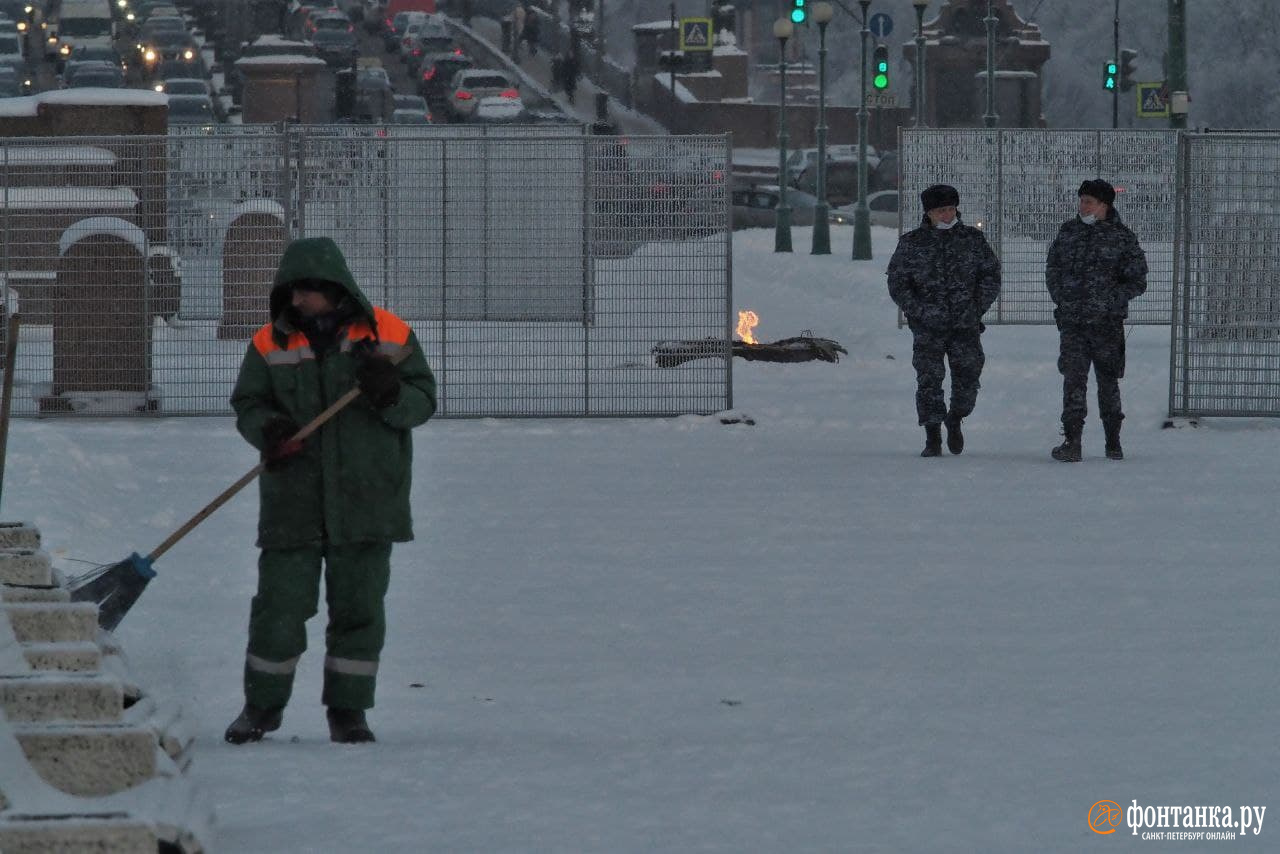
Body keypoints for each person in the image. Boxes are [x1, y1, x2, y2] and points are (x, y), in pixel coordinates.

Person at [224, 237, 437, 745]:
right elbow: (249, 403)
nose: (295, 302)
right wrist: (269, 431)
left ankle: (349, 712)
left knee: (359, 610)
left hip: (366, 502)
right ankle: (261, 708)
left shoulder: (390, 334)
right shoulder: (267, 344)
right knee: (278, 608)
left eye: (304, 292)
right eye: (291, 292)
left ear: (332, 289)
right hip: (292, 504)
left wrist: (389, 390)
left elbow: (422, 402)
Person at [887, 184, 1002, 457]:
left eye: (951, 209)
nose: (947, 215)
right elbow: (898, 283)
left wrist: (976, 309)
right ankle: (932, 435)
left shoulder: (972, 240)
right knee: (929, 380)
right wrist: (919, 312)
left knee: (968, 378)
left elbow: (990, 276)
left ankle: (956, 417)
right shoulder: (912, 243)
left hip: (965, 325)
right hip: (928, 328)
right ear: (929, 213)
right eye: (941, 211)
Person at [1045, 179, 1148, 462]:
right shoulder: (1068, 232)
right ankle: (1072, 441)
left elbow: (1138, 279)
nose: (1083, 206)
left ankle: (1113, 441)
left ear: (1105, 205)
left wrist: (1111, 301)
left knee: (1108, 382)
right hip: (1073, 323)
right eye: (1082, 200)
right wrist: (1062, 297)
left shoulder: (1122, 237)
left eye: (1089, 201)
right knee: (1073, 381)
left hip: (1106, 325)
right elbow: (1053, 267)